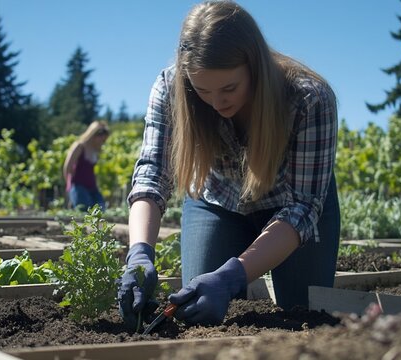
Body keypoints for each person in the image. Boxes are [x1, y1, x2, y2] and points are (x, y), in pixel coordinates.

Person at [118, 0, 340, 330]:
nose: (217, 102)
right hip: (218, 201)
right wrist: (139, 252)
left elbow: (302, 208)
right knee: (198, 308)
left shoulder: (308, 98)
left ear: (255, 66)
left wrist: (232, 275)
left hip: (291, 211)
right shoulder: (169, 88)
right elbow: (152, 172)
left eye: (229, 88)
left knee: (303, 314)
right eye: (203, 90)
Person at [63, 121, 110, 211]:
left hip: (92, 187)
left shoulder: (95, 150)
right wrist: (69, 187)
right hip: (78, 186)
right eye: (102, 139)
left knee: (100, 208)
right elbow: (68, 167)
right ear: (94, 135)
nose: (103, 142)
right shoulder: (80, 146)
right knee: (84, 209)